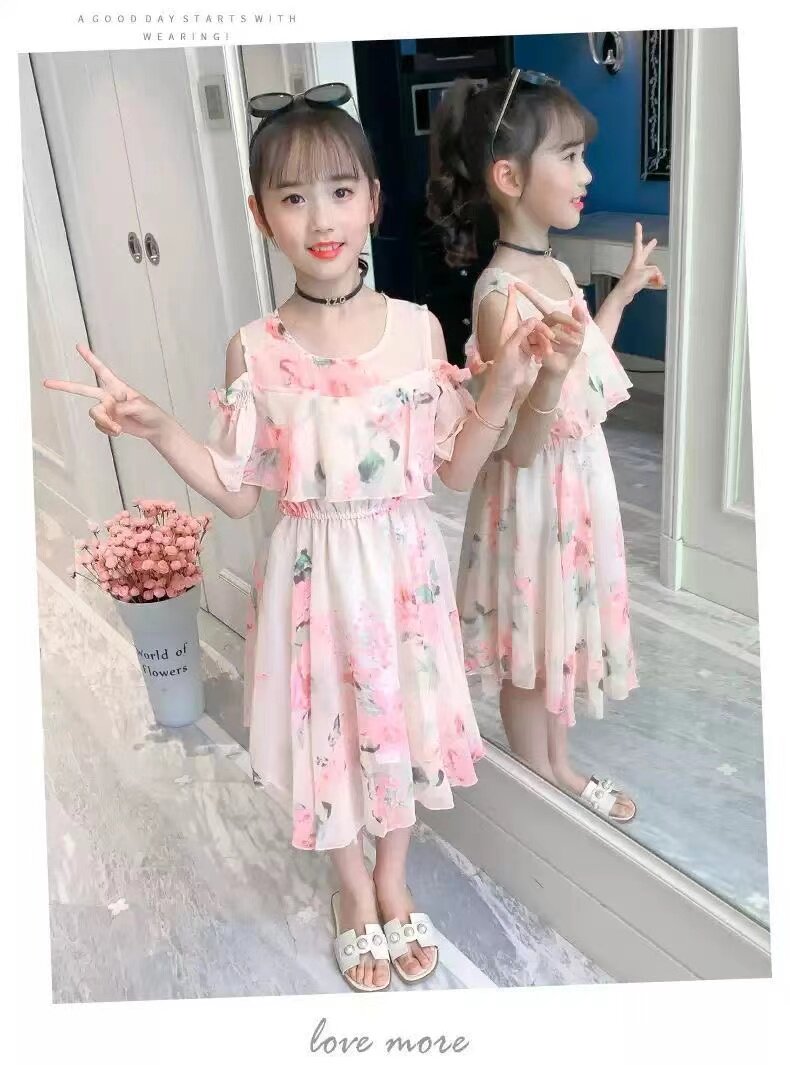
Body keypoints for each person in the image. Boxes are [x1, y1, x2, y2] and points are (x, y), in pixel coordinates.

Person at [43, 84, 553, 992]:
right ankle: (352, 889)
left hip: (401, 575)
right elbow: (239, 494)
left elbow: (454, 470)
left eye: (341, 191)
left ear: (373, 201)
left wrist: (506, 386)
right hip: (313, 578)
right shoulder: (255, 349)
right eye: (292, 196)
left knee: (398, 725)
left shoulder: (418, 330)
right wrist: (159, 425)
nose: (321, 219)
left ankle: (393, 879)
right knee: (334, 736)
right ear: (260, 215)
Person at [427, 70, 665, 825]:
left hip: (576, 486)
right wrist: (551, 376)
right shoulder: (500, 294)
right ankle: (541, 778)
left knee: (557, 635)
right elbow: (523, 444)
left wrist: (620, 295)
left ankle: (558, 766)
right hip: (534, 498)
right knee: (531, 644)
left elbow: (583, 368)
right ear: (509, 177)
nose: (587, 174)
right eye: (570, 156)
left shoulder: (556, 269)